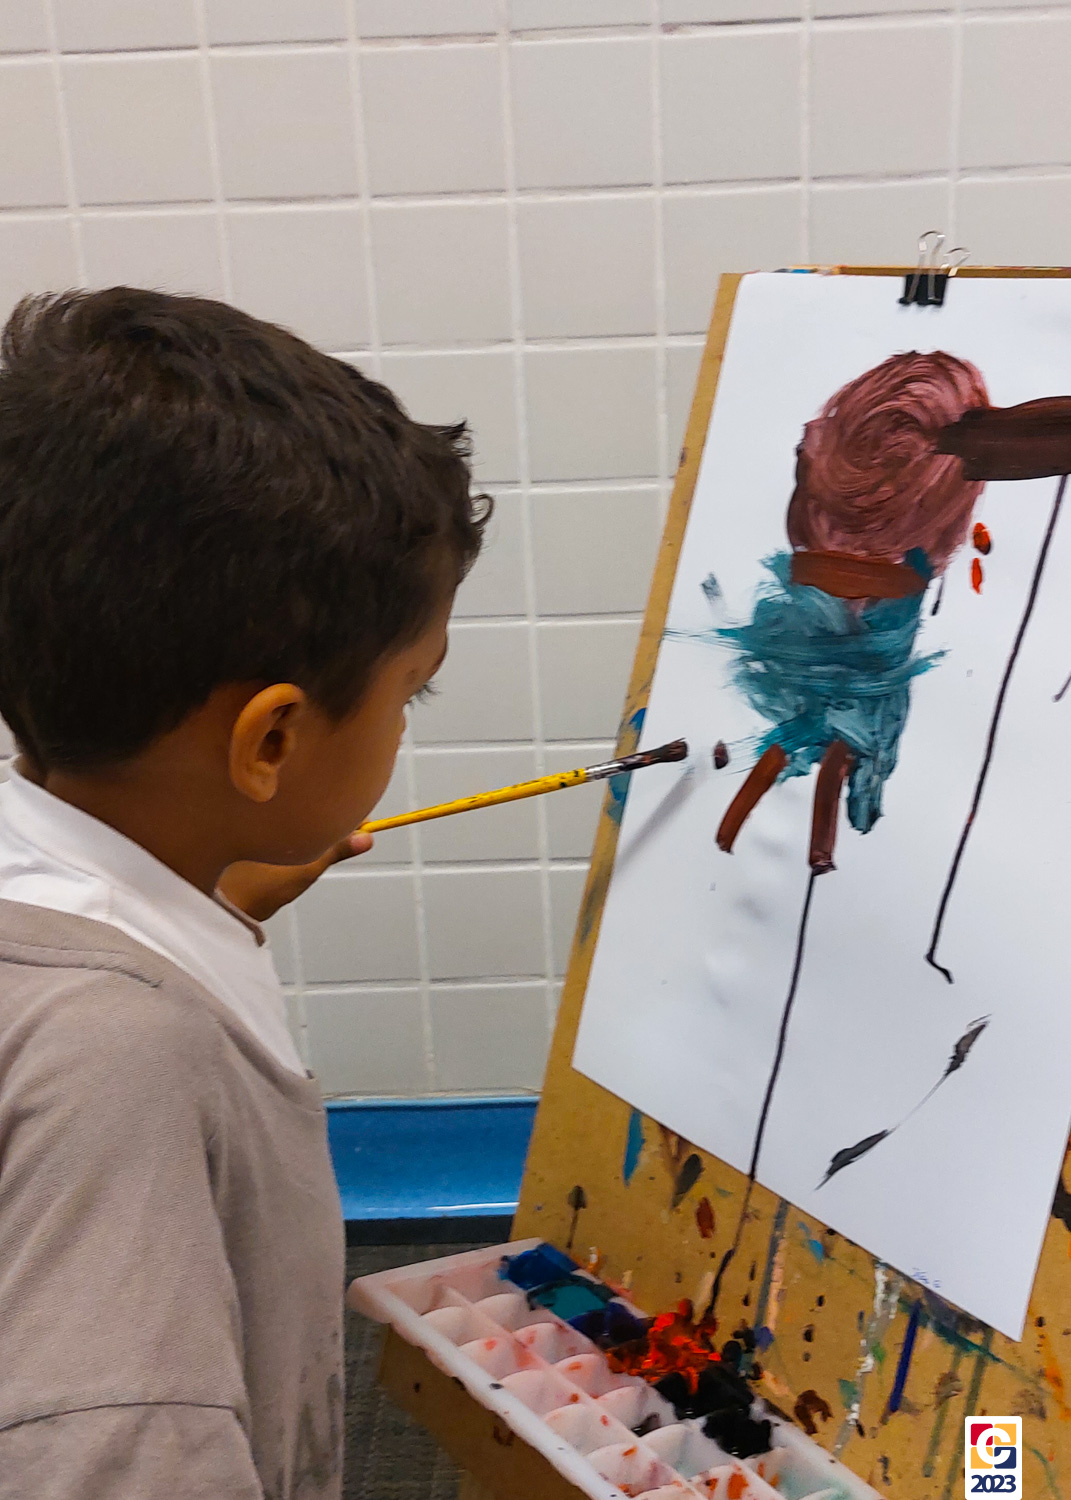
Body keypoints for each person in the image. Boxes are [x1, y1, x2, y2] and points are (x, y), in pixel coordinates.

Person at [0, 287, 489, 1499]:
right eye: (411, 692)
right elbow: (109, 1449)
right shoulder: (124, 1062)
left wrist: (210, 899)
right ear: (269, 741)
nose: (407, 721)